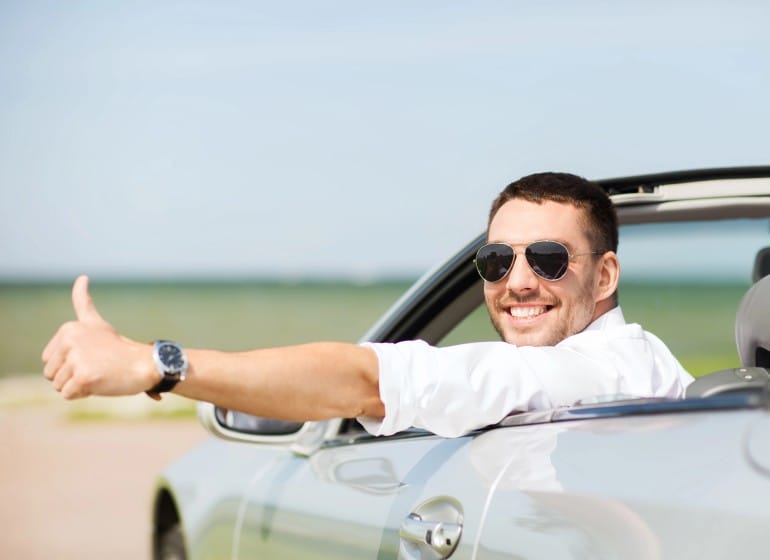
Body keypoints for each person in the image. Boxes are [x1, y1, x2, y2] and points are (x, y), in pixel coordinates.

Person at [42, 172, 693, 437]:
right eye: (497, 261)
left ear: (604, 275)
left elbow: (365, 382)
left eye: (548, 258)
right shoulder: (653, 365)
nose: (517, 281)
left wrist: (155, 363)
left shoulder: (597, 373)